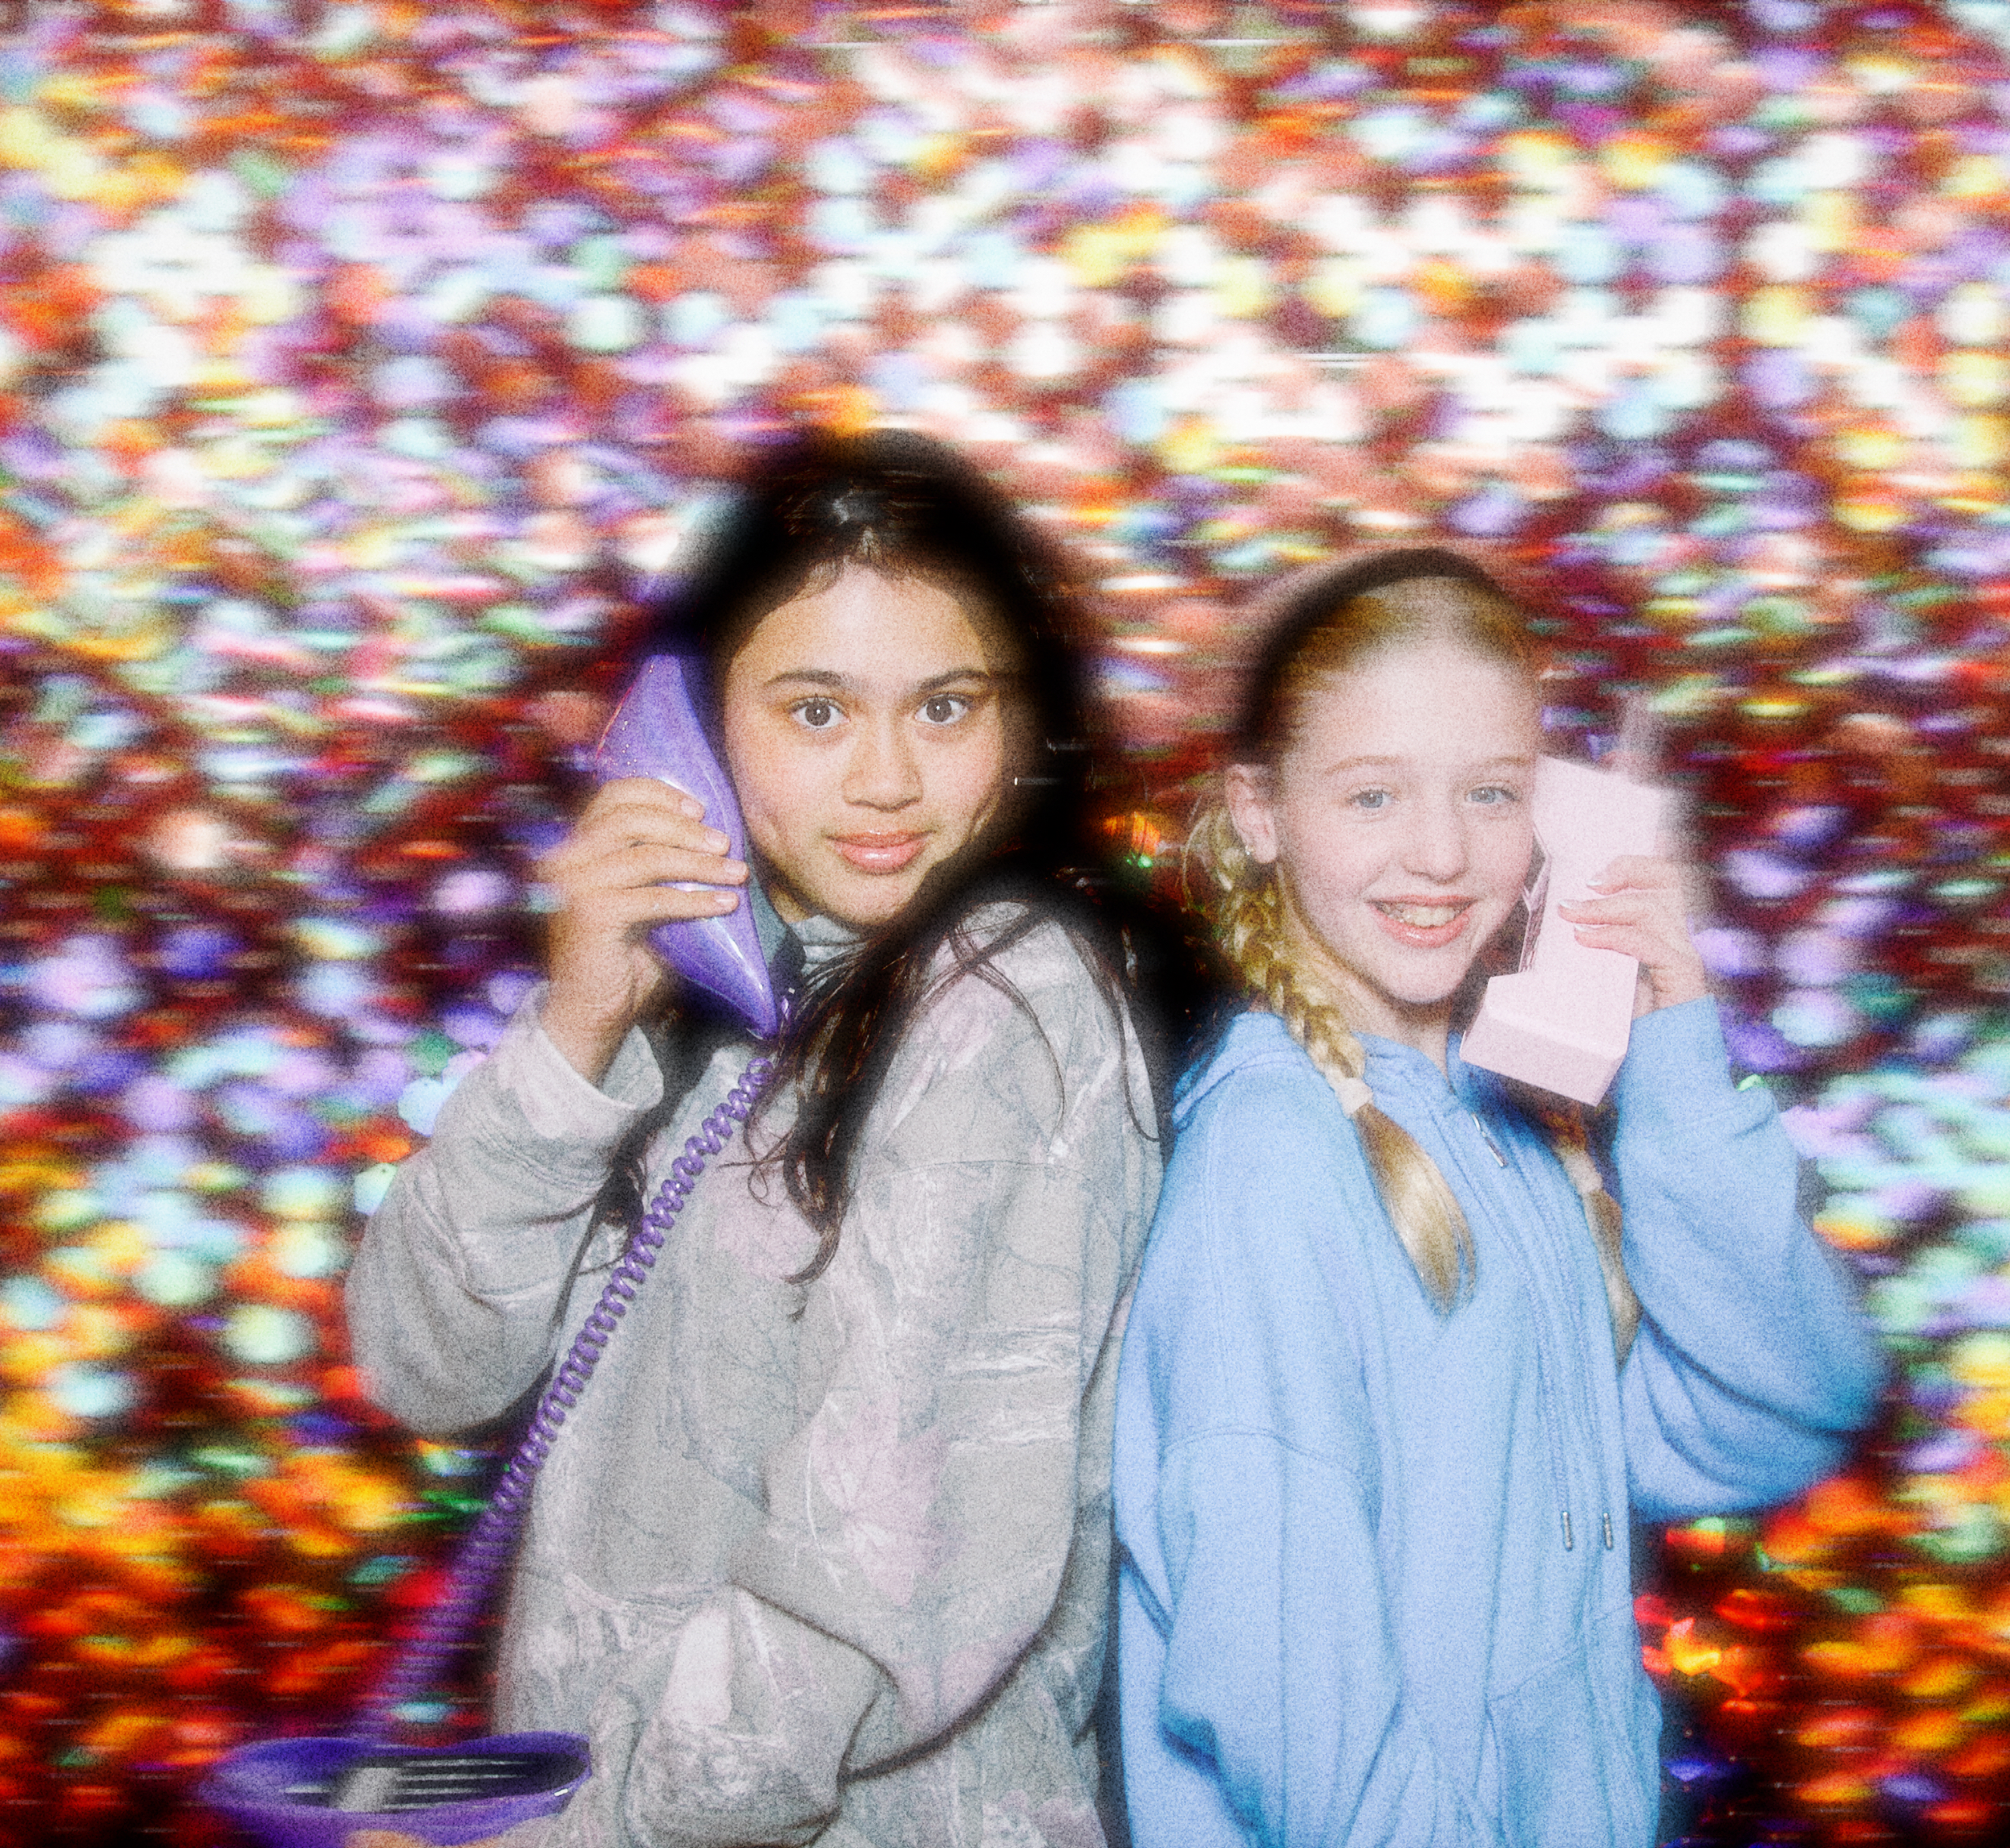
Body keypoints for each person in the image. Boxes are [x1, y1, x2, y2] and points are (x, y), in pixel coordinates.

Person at [346, 428, 1173, 1848]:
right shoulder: (711, 992)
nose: (888, 782)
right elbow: (427, 1367)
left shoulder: (1015, 1008)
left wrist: (578, 1837)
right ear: (689, 727)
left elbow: (876, 1584)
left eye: (946, 707)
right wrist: (575, 1034)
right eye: (813, 712)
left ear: (1024, 722)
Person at [1112, 549, 1882, 1846]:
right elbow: (1299, 1727)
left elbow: (1795, 1407)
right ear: (1259, 811)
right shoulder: (1273, 1166)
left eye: (1493, 792)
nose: (1441, 854)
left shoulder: (1506, 1122)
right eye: (1371, 796)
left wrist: (1674, 1056)